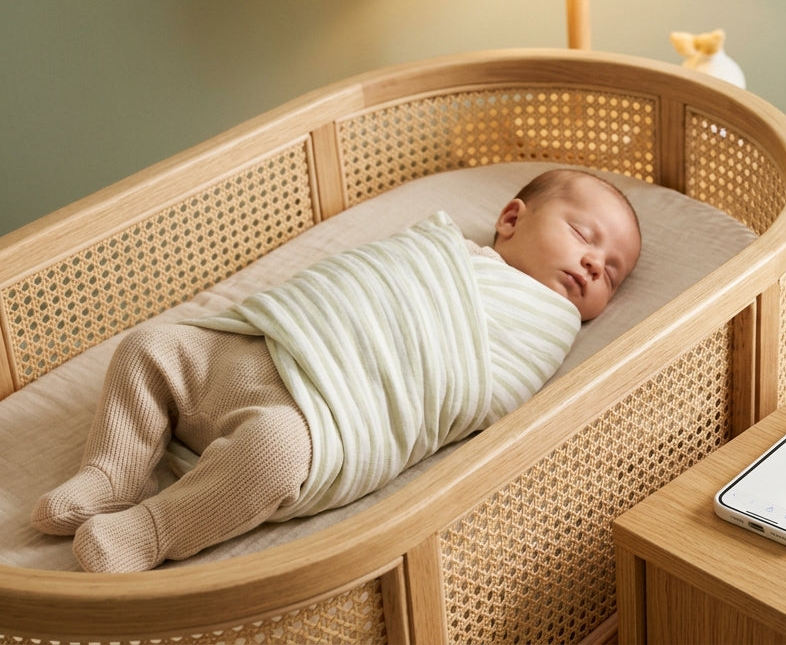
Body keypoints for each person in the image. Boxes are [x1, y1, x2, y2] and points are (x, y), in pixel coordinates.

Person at [32, 168, 641, 573]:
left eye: (612, 273)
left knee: (271, 455)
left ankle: (153, 529)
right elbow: (359, 278)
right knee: (150, 344)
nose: (594, 265)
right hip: (271, 342)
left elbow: (478, 392)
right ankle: (113, 471)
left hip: (318, 413)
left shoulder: (542, 324)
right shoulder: (438, 251)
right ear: (511, 219)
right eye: (583, 236)